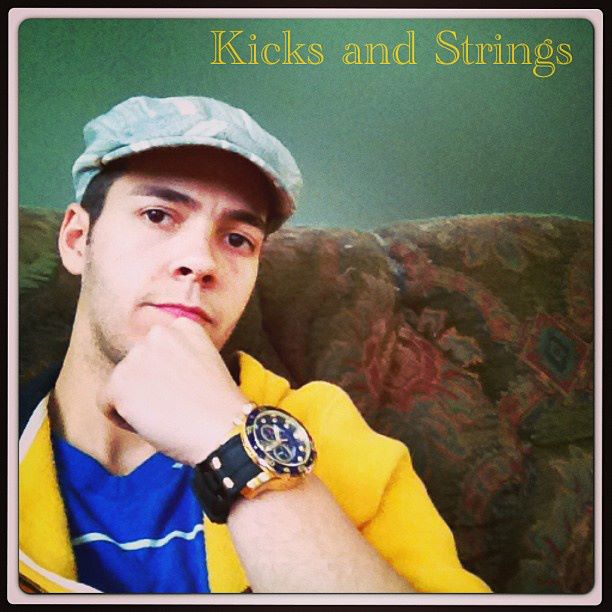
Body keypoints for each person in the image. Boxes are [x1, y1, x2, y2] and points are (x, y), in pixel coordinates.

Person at [18, 95, 492, 594]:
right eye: (158, 215)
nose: (201, 261)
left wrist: (230, 444)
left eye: (237, 239)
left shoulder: (324, 428)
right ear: (77, 239)